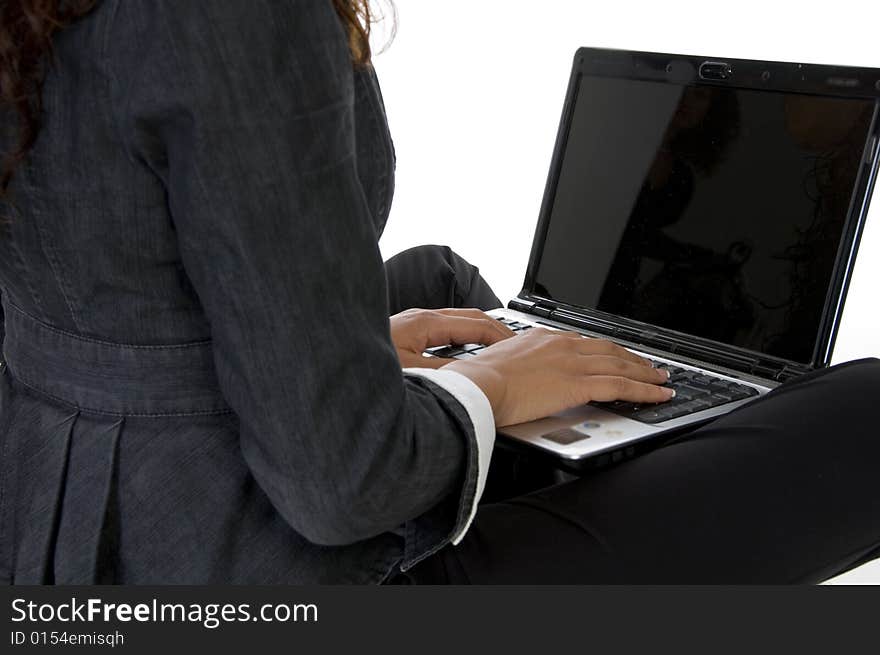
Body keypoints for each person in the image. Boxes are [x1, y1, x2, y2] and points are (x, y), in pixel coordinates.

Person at [0, 0, 877, 585]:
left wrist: (359, 355)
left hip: (64, 506)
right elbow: (342, 487)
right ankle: (616, 458)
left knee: (442, 280)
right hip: (235, 567)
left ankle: (615, 433)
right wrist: (488, 390)